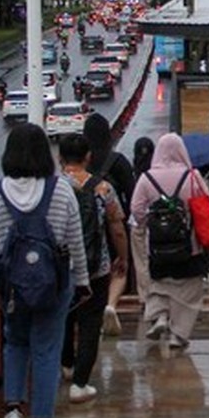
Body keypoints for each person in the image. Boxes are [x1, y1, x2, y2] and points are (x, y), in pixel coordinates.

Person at [0, 124, 88, 418]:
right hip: (54, 285)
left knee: (15, 342)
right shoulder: (61, 190)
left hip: (13, 288)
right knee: (47, 349)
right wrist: (82, 280)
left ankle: (13, 407)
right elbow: (75, 241)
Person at [129, 134, 209, 349]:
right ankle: (178, 335)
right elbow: (208, 205)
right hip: (189, 245)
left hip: (157, 246)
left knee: (159, 282)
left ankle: (160, 316)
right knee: (190, 289)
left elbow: (136, 209)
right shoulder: (192, 176)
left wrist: (151, 223)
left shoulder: (147, 178)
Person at [57, 133, 129, 403]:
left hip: (62, 266)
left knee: (64, 315)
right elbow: (117, 226)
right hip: (95, 266)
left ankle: (66, 364)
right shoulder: (103, 188)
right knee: (90, 323)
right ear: (88, 157)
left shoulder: (54, 188)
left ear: (60, 158)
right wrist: (123, 258)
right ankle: (81, 383)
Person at [83, 114, 136, 337]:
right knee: (119, 267)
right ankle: (111, 304)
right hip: (114, 223)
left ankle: (92, 309)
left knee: (92, 269)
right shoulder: (118, 161)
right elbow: (132, 195)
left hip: (86, 228)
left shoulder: (82, 163)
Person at [127, 137, 156, 305]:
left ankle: (145, 296)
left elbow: (134, 204)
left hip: (138, 222)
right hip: (157, 221)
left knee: (141, 261)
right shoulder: (156, 172)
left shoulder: (134, 172)